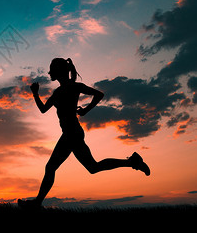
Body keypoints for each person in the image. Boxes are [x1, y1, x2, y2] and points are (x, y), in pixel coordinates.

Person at [18, 58, 150, 208]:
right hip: (71, 132)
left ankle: (36, 204)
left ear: (58, 71)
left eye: (52, 69)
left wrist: (86, 110)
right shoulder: (59, 92)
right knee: (92, 167)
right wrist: (35, 94)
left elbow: (99, 94)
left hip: (71, 133)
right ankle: (132, 162)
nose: (49, 73)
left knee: (51, 167)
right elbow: (43, 109)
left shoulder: (73, 87)